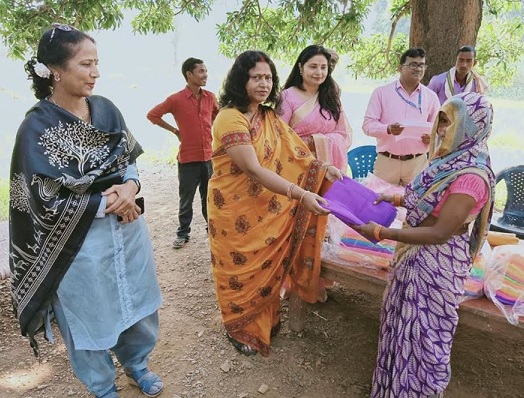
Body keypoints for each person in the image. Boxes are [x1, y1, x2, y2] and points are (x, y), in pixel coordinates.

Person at [10, 24, 163, 398]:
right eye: (86, 64)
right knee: (89, 317)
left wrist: (130, 187)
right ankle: (102, 386)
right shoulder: (36, 127)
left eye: (97, 64)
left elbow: (129, 160)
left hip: (127, 231)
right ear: (56, 70)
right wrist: (107, 204)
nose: (96, 73)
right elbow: (39, 199)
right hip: (79, 242)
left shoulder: (107, 109)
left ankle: (137, 365)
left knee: (137, 305)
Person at [353, 92, 495, 397]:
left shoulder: (471, 176)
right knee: (401, 327)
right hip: (414, 256)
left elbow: (441, 232)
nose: (441, 129)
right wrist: (397, 197)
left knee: (424, 337)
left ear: (472, 127)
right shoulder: (447, 160)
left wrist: (382, 233)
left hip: (437, 263)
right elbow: (432, 201)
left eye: (450, 123)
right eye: (440, 120)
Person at [208, 50, 343, 357]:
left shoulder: (269, 117)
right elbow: (253, 169)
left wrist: (323, 169)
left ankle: (267, 317)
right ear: (241, 79)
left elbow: (297, 153)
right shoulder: (230, 118)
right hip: (235, 211)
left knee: (269, 264)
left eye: (268, 77)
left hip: (268, 208)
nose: (263, 83)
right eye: (256, 77)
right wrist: (302, 194)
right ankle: (239, 326)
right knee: (240, 270)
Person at [147, 57, 219, 249]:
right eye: (201, 71)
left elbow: (218, 116)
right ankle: (182, 233)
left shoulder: (210, 97)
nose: (205, 75)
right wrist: (175, 131)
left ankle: (211, 227)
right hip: (188, 159)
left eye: (206, 71)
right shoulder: (176, 99)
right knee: (186, 199)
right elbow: (152, 115)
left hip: (208, 158)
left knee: (209, 197)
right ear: (189, 74)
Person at [362, 47, 440, 186]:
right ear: (400, 67)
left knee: (414, 205)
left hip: (417, 162)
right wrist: (388, 129)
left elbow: (439, 130)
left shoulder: (431, 97)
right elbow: (368, 125)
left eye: (421, 65)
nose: (418, 69)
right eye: (413, 65)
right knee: (380, 203)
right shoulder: (381, 92)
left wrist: (431, 138)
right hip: (387, 161)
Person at [277, 44, 352, 172]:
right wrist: (308, 143)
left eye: (323, 67)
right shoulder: (287, 96)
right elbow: (278, 136)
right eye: (313, 67)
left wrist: (318, 141)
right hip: (296, 167)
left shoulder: (331, 98)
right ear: (301, 67)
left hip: (329, 170)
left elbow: (344, 134)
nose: (319, 72)